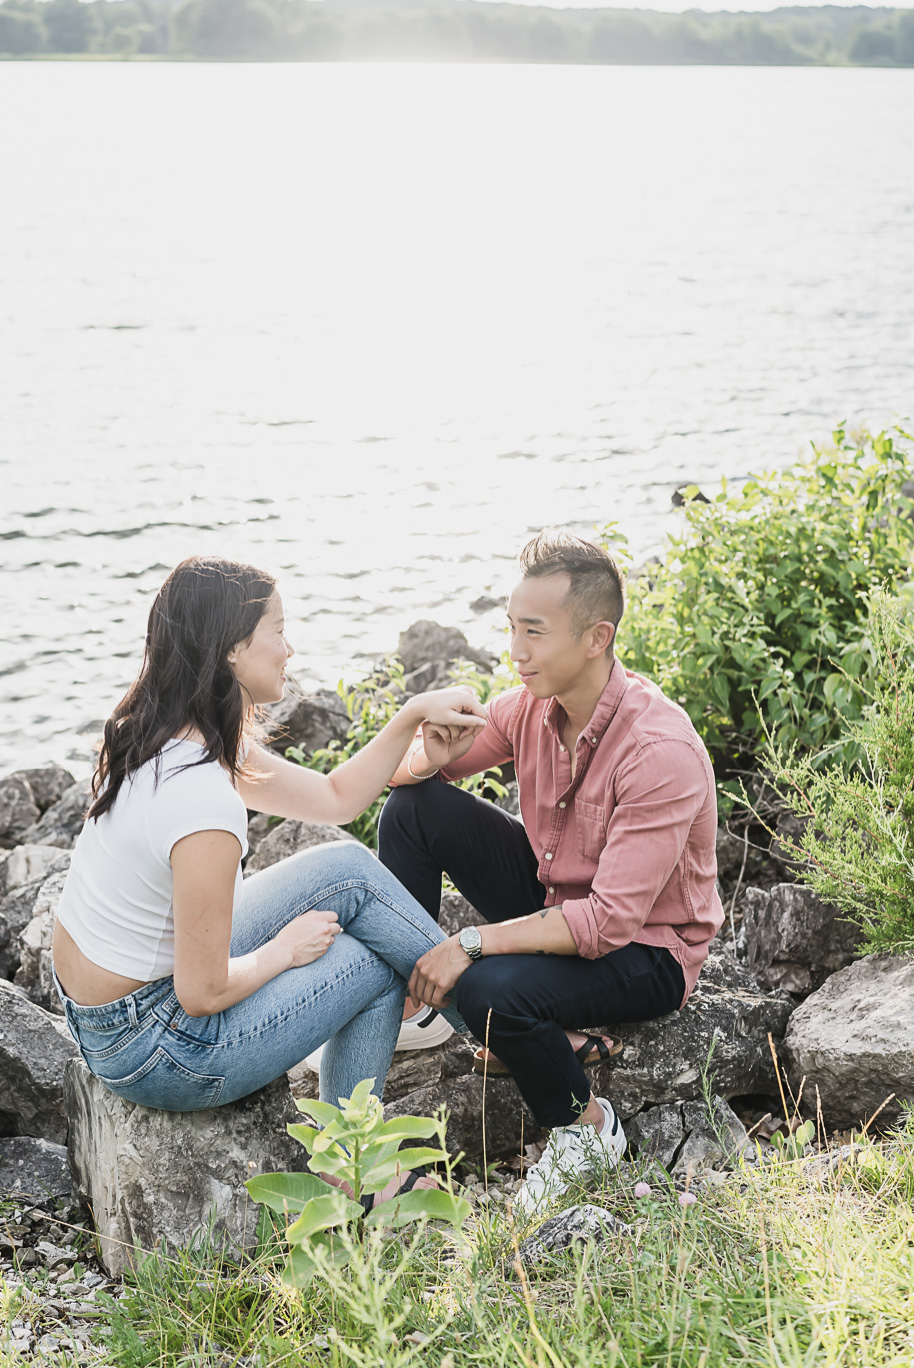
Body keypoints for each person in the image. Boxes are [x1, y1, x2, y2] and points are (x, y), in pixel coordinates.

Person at [52, 555, 486, 1206]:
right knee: (371, 964)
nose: (291, 648)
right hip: (160, 1048)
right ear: (231, 650)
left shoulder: (169, 732)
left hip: (105, 1010)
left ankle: (497, 1019)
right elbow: (202, 993)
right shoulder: (200, 799)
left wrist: (410, 719)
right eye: (278, 631)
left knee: (348, 870)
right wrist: (284, 954)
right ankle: (359, 1165)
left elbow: (337, 799)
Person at [379, 529, 724, 1213]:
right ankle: (417, 1005)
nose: (516, 652)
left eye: (534, 633)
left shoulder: (658, 751)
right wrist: (428, 752)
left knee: (490, 990)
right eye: (512, 629)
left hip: (645, 949)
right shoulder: (532, 706)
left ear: (596, 639)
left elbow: (605, 924)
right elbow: (397, 781)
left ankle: (586, 1128)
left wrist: (468, 942)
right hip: (554, 895)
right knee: (411, 811)